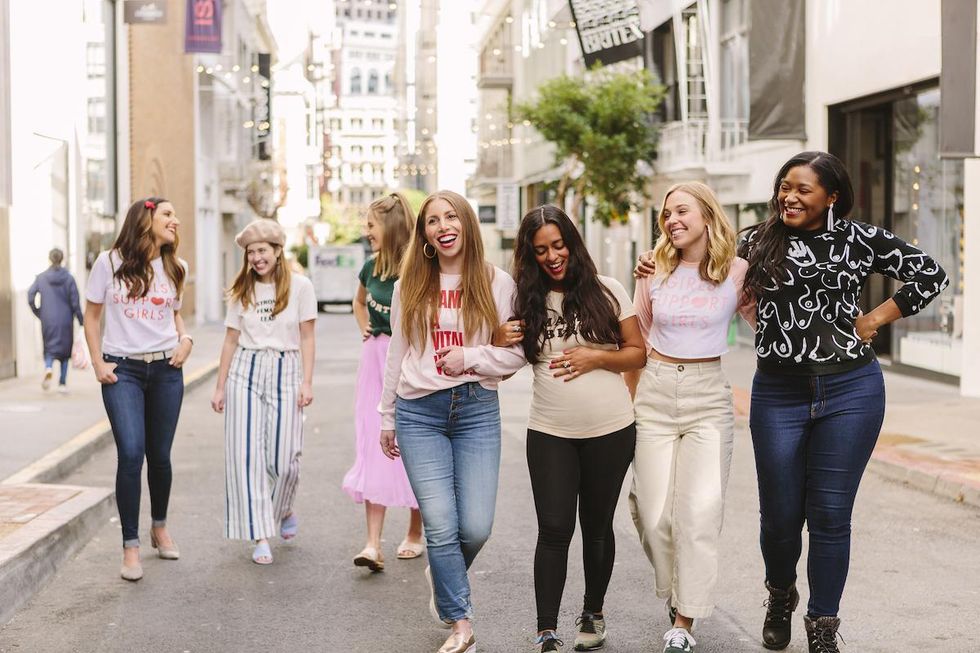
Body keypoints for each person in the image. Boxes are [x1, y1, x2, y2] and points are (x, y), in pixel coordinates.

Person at [737, 152, 948, 652]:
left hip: (851, 390)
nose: (789, 196)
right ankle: (779, 591)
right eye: (784, 186)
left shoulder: (859, 239)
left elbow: (929, 275)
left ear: (832, 197)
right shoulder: (754, 239)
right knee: (780, 515)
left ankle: (823, 626)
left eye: (803, 189)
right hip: (778, 393)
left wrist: (873, 320)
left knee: (831, 514)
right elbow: (705, 275)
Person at [492, 205, 646, 653]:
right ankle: (546, 629)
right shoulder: (525, 300)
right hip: (550, 431)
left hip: (611, 429)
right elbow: (502, 370)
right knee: (554, 528)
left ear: (573, 243)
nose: (552, 256)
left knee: (597, 527)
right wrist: (495, 339)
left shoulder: (608, 291)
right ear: (530, 254)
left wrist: (596, 356)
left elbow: (637, 353)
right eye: (541, 250)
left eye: (558, 245)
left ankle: (593, 614)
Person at [380, 190, 525, 653]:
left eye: (450, 217)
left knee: (476, 527)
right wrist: (386, 416)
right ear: (423, 234)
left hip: (477, 409)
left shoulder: (495, 281)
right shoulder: (411, 284)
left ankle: (442, 570)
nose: (442, 226)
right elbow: (396, 353)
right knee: (441, 525)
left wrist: (471, 357)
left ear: (465, 223)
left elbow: (516, 353)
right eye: (432, 221)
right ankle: (461, 625)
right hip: (418, 411)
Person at [628, 182, 754, 653]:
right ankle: (677, 590)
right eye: (666, 214)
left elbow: (764, 320)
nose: (672, 220)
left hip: (708, 395)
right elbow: (637, 336)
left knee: (700, 514)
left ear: (706, 215)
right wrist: (632, 396)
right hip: (656, 390)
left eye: (682, 210)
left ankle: (684, 620)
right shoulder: (652, 268)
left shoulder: (737, 271)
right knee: (651, 510)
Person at [84, 197, 192, 581]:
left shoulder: (175, 267)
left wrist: (186, 339)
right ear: (145, 219)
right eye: (167, 214)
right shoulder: (108, 263)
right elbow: (92, 315)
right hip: (123, 371)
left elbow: (175, 313)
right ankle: (130, 547)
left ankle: (159, 526)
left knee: (159, 455)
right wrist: (97, 361)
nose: (174, 220)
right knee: (131, 453)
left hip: (166, 369)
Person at [210, 218, 316, 565]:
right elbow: (230, 339)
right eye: (251, 252)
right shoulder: (242, 291)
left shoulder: (300, 287)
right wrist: (220, 385)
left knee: (285, 459)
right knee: (246, 456)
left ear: (277, 251)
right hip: (246, 368)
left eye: (262, 251)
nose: (256, 257)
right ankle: (260, 535)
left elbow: (307, 337)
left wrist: (307, 381)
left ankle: (283, 508)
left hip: (286, 369)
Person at [342, 192, 424, 571]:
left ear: (390, 227)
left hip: (408, 362)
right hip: (374, 361)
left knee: (414, 445)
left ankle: (415, 532)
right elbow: (358, 302)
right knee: (374, 445)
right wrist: (364, 330)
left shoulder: (419, 269)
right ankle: (372, 544)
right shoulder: (370, 268)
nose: (366, 232)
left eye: (371, 225)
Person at [28, 248, 83, 393]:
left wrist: (38, 312)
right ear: (62, 259)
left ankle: (48, 367)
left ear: (49, 259)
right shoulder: (69, 278)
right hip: (65, 319)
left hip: (48, 319)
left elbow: (30, 296)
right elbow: (75, 302)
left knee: (50, 349)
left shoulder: (41, 278)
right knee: (65, 353)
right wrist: (81, 320)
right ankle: (62, 383)